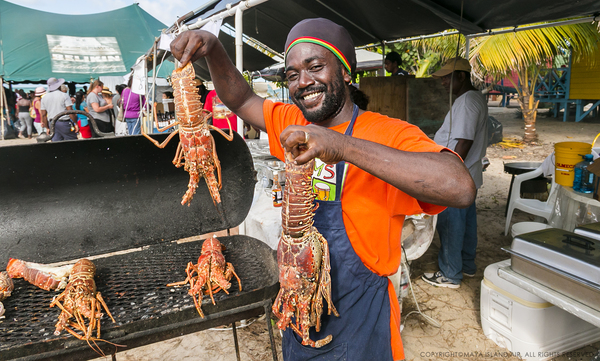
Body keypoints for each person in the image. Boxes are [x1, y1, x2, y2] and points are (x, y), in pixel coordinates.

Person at [170, 18, 475, 361]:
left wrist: (342, 146)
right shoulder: (292, 120)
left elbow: (459, 187)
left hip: (361, 321)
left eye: (316, 67)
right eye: (292, 74)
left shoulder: (387, 134)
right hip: (297, 312)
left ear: (345, 71)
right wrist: (212, 46)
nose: (303, 82)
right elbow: (240, 98)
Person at [422, 57, 488, 289]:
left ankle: (450, 273)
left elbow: (464, 141)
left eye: (447, 78)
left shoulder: (467, 101)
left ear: (461, 76)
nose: (443, 83)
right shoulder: (474, 98)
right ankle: (467, 265)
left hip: (457, 174)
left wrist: (450, 172)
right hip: (469, 173)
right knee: (467, 221)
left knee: (450, 224)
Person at [41, 77, 78, 141]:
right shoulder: (64, 95)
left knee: (56, 144)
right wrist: (75, 123)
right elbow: (70, 111)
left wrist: (47, 127)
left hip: (52, 123)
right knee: (72, 142)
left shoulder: (44, 97)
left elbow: (44, 114)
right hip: (64, 122)